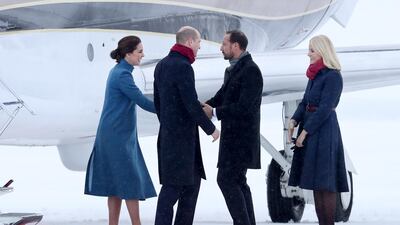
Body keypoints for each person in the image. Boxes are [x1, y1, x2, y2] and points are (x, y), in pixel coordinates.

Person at [84, 36, 156, 225]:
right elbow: (142, 101)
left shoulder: (118, 71)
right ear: (128, 53)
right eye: (139, 51)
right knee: (130, 182)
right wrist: (170, 108)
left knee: (115, 185)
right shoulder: (122, 75)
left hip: (117, 135)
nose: (143, 55)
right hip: (117, 137)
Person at [153, 26, 220, 225]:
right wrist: (211, 128)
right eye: (198, 43)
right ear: (189, 42)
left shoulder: (162, 65)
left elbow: (159, 102)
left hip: (170, 137)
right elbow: (189, 103)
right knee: (175, 190)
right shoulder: (183, 66)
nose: (199, 47)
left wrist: (168, 122)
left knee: (187, 186)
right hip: (181, 141)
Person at [202, 30, 263, 225]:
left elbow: (245, 107)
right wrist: (201, 107)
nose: (221, 47)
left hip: (241, 140)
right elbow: (221, 96)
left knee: (227, 180)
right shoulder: (233, 69)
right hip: (232, 139)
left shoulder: (251, 70)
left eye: (224, 43)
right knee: (237, 182)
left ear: (236, 46)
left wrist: (215, 112)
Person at [287, 35, 349, 225]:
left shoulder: (333, 76)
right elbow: (306, 101)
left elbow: (324, 109)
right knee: (315, 181)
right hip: (311, 125)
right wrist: (294, 120)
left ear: (322, 51)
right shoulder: (314, 75)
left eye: (311, 50)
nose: (308, 54)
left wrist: (305, 131)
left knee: (325, 182)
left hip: (324, 130)